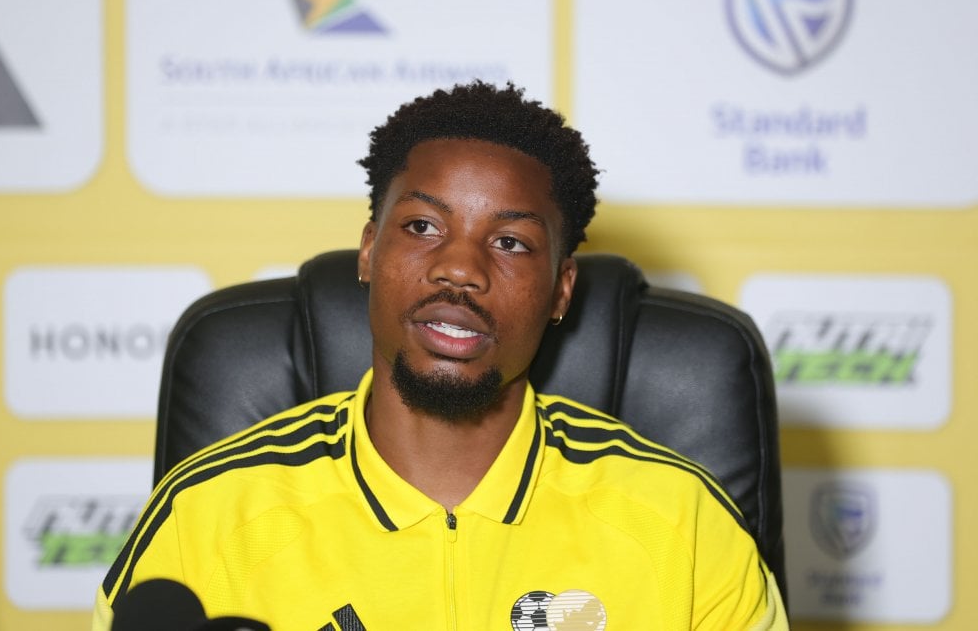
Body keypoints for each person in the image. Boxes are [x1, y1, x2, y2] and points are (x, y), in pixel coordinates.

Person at [93, 82, 788, 630]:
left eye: (510, 242)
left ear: (561, 290)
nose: (460, 269)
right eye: (423, 226)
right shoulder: (208, 514)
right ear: (370, 251)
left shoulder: (684, 524)